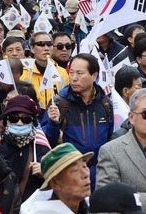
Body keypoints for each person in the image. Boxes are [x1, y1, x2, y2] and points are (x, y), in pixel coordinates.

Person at [42, 53, 113, 189]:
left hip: (101, 175)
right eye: (72, 73)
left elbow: (110, 139)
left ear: (94, 75)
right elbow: (46, 143)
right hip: (70, 175)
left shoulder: (106, 103)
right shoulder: (59, 103)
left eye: (80, 73)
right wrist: (53, 123)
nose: (74, 78)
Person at [0, 95, 50, 201]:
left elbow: (56, 183)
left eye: (25, 119)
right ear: (6, 121)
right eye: (14, 118)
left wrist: (45, 173)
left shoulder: (41, 146)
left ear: (32, 122)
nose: (19, 123)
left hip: (33, 207)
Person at [37, 143, 92, 214]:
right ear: (55, 183)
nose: (85, 174)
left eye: (84, 166)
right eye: (75, 170)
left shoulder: (93, 208)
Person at [26, 32, 69, 108]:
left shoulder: (62, 72)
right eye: (41, 44)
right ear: (32, 48)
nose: (46, 48)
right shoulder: (24, 72)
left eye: (49, 44)